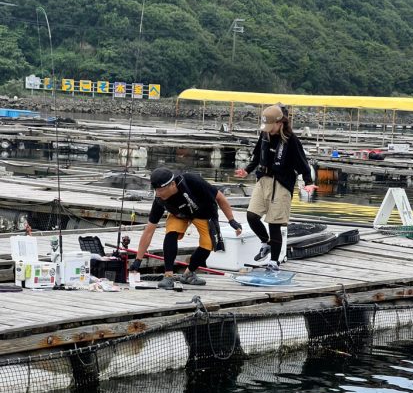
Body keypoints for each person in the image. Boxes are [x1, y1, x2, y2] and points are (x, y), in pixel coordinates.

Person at [129, 167, 242, 289]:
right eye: (156, 190)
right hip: (180, 213)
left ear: (172, 184)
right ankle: (168, 276)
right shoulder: (159, 200)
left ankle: (188, 273)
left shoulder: (192, 181)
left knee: (207, 245)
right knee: (171, 233)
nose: (158, 194)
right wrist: (138, 260)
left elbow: (220, 197)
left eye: (161, 190)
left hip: (203, 213)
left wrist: (231, 220)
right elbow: (149, 231)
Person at [235, 104, 317, 271]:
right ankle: (265, 243)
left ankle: (274, 262)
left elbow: (303, 164)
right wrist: (247, 170)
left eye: (271, 127)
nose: (268, 130)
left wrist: (308, 183)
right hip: (263, 179)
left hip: (281, 183)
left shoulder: (291, 140)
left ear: (280, 123)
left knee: (274, 224)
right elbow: (257, 156)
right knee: (251, 215)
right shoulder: (264, 134)